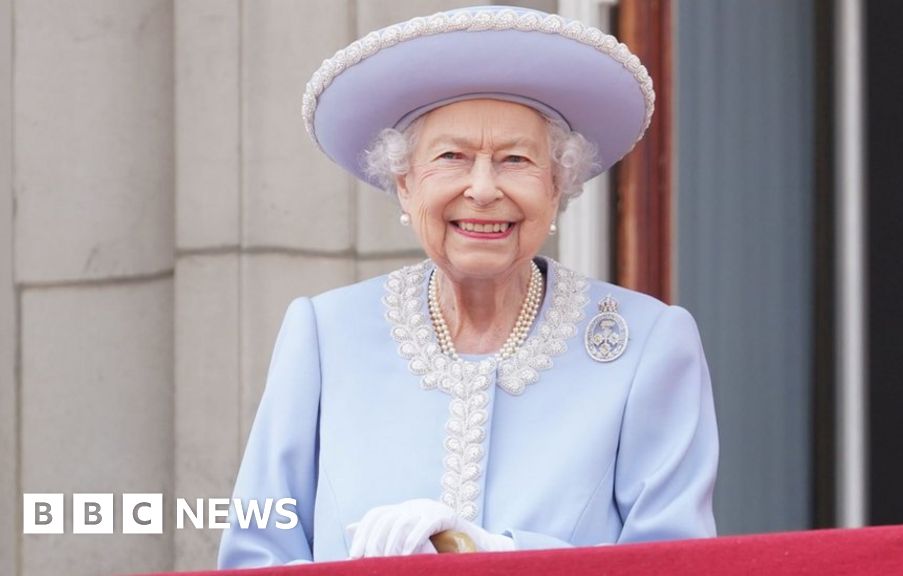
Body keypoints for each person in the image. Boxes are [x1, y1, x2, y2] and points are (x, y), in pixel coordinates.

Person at [218, 5, 718, 567]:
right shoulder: (324, 335)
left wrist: (504, 556)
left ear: (557, 187)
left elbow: (678, 562)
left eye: (516, 159)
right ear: (404, 185)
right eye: (452, 157)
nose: (483, 189)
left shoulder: (648, 344)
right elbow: (254, 554)